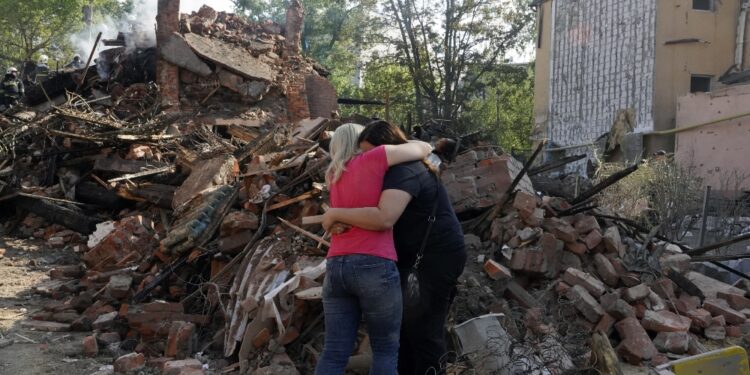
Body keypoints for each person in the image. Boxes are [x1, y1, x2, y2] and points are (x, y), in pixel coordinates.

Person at [322, 120, 467, 375]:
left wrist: (336, 214)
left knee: (425, 329)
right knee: (403, 332)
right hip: (408, 256)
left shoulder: (404, 170)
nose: (363, 158)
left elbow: (384, 218)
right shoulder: (383, 170)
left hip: (434, 256)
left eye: (368, 151)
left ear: (384, 148)